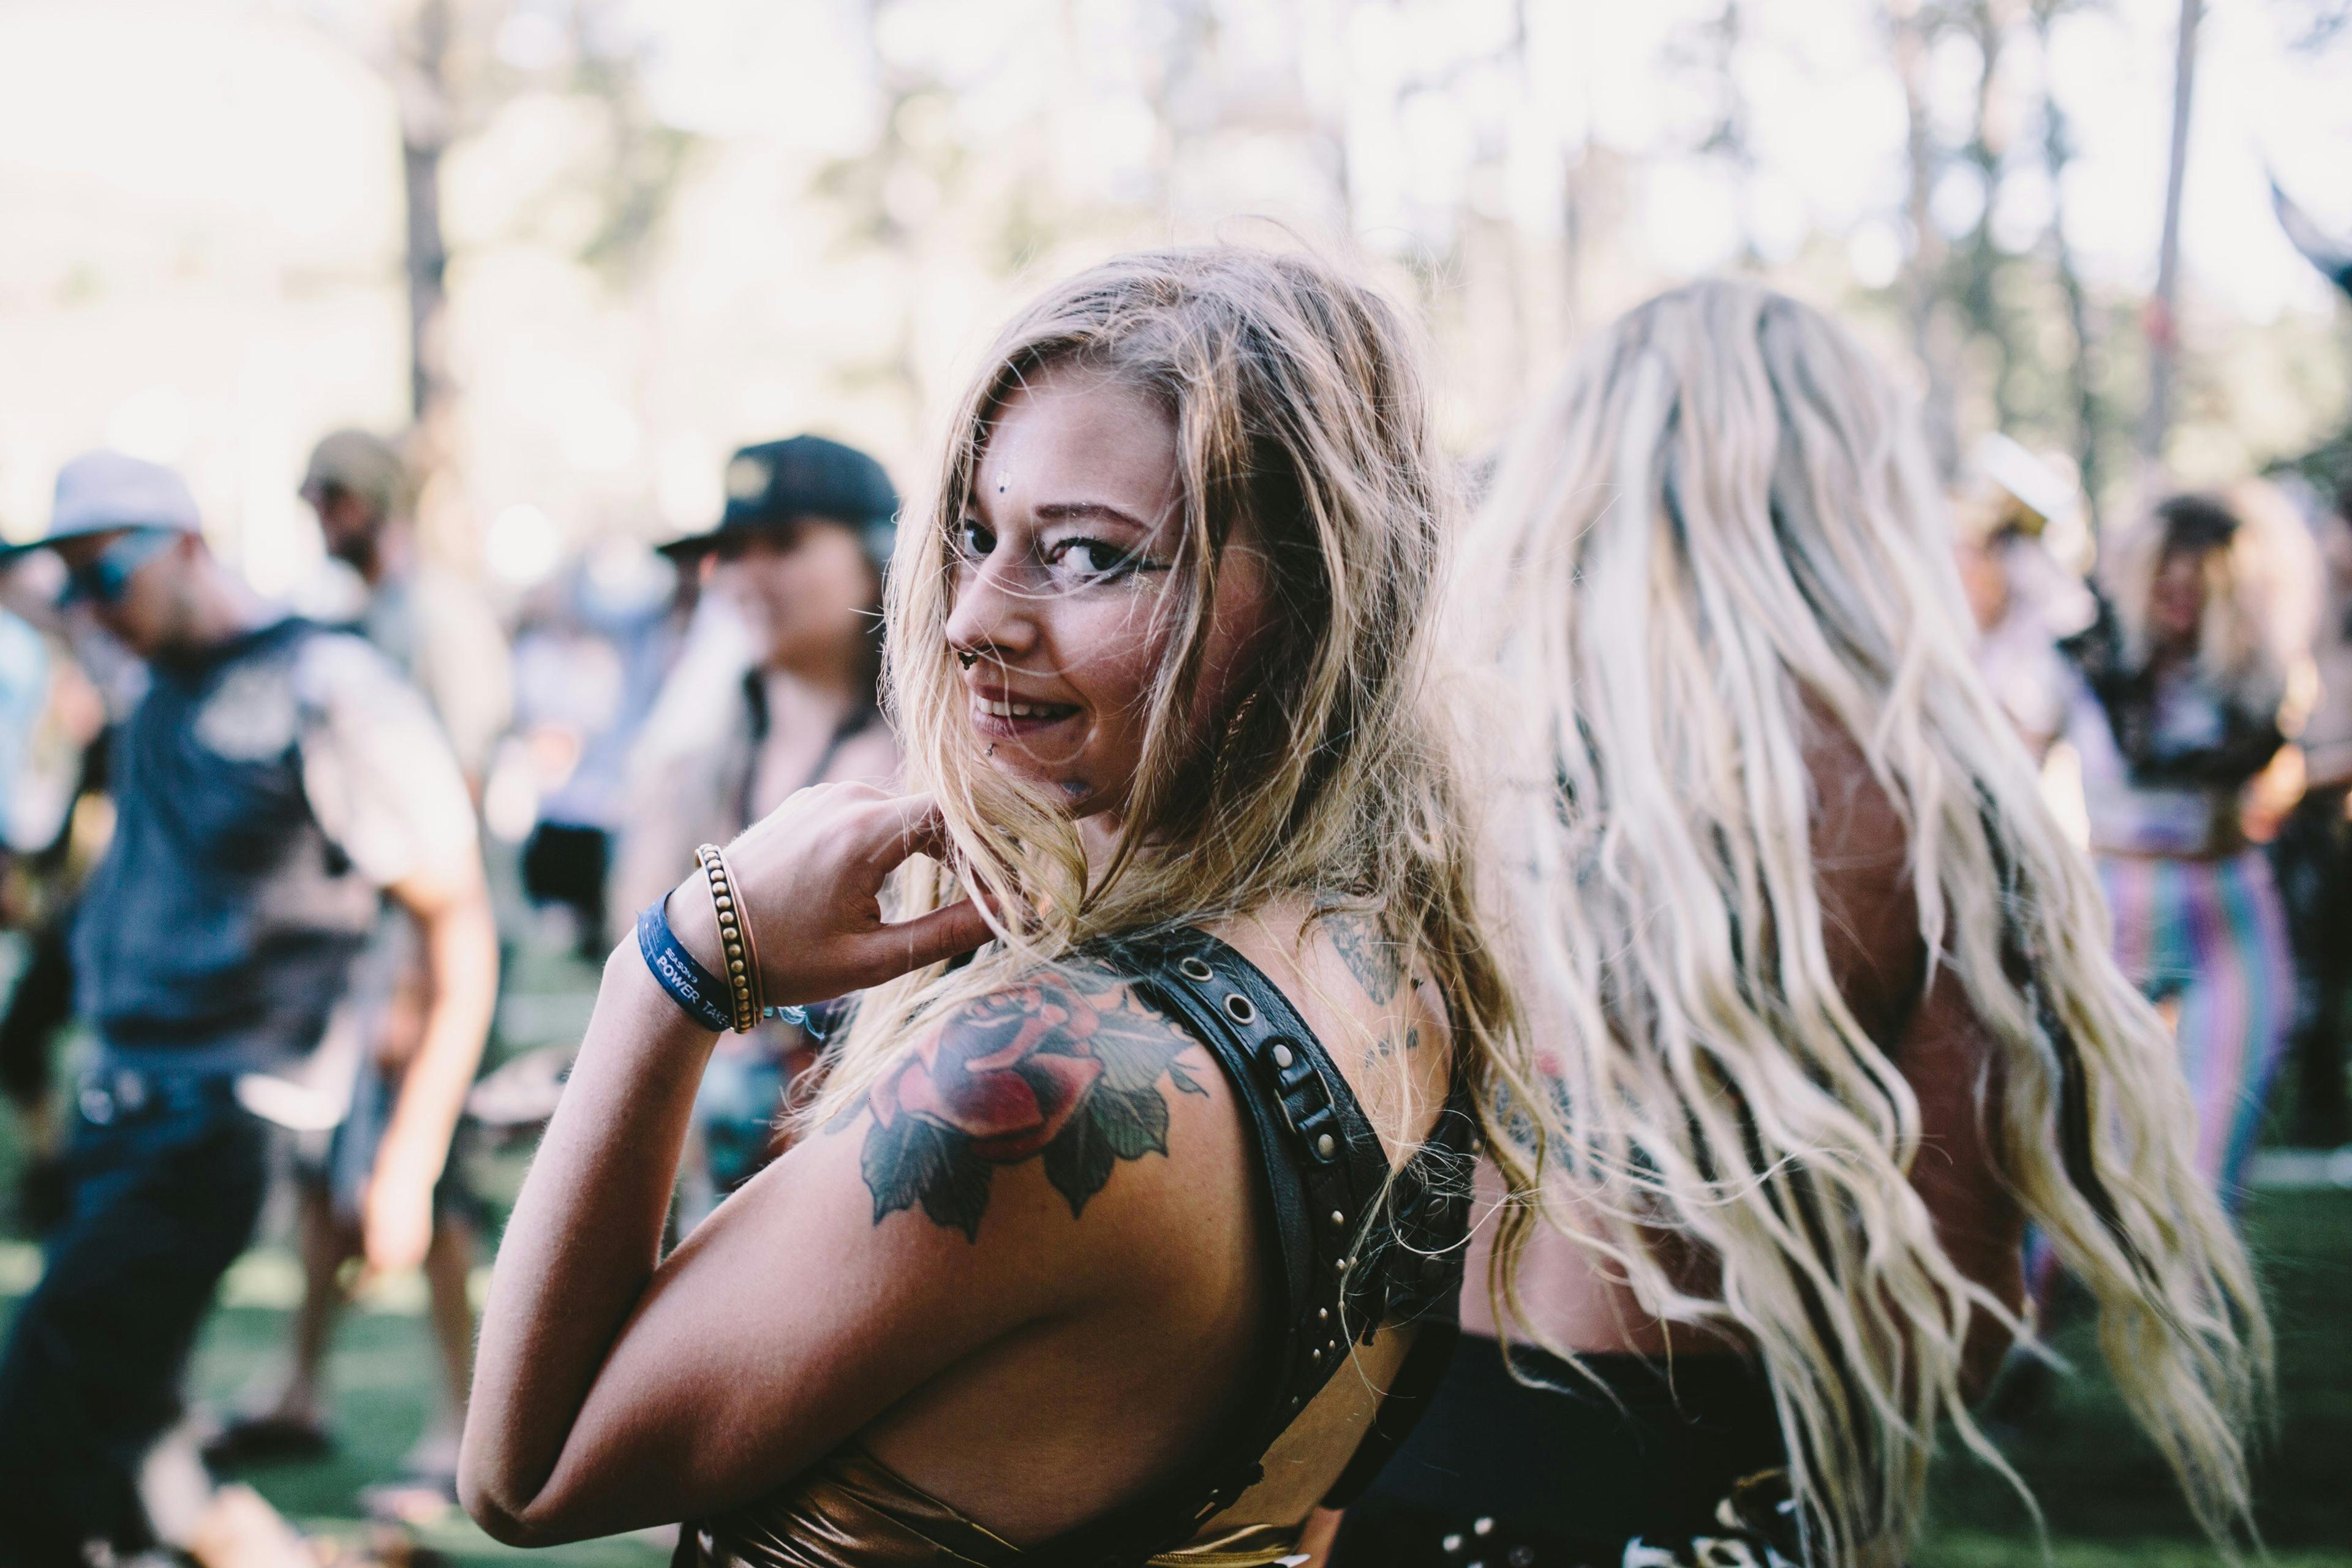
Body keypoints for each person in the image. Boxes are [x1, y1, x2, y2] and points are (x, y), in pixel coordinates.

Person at [458, 247, 1512, 1566]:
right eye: (973, 533)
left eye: (1084, 554)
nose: (971, 617)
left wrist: (679, 957)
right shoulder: (1401, 952)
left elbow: (526, 1470)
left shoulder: (1039, 1086)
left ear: (1307, 598)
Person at [1332, 284, 2264, 1567]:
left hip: (1425, 1476)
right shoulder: (1933, 798)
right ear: (1854, 501)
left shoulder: (1436, 772)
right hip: (1740, 1486)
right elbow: (1965, 1300)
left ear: (1571, 476)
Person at [0, 451, 499, 1566]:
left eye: (104, 574)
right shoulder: (146, 666)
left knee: (36, 1422)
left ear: (185, 544)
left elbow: (456, 925)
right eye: (67, 584)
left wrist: (411, 1160)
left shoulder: (330, 688)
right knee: (130, 1439)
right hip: (121, 1104)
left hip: (227, 1116)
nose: (87, 605)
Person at [201, 429, 508, 1513]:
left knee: (436, 1184)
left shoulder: (433, 618)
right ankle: (298, 1380)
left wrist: (423, 983)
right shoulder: (364, 615)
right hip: (369, 949)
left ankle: (464, 1421)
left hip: (443, 948)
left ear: (372, 498)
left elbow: (452, 809)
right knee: (330, 1174)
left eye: (329, 495)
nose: (317, 515)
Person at [609, 435, 903, 1210]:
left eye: (784, 543)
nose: (748, 575)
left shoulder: (935, 755)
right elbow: (637, 950)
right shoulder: (699, 755)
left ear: (882, 555)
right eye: (731, 551)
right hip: (719, 1175)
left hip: (880, 1171)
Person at [2059, 491, 2306, 1210]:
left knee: (2211, 1165)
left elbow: (2276, 779)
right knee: (2072, 1145)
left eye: (2204, 574)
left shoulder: (2253, 676)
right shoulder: (2082, 664)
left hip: (2229, 916)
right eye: (2168, 571)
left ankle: (2189, 1315)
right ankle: (2024, 1312)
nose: (2185, 589)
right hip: (2111, 910)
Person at [2275, 475, 2352, 1149]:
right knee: (2308, 968)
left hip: (2325, 799)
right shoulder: (2313, 599)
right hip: (2308, 806)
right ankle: (2317, 1103)